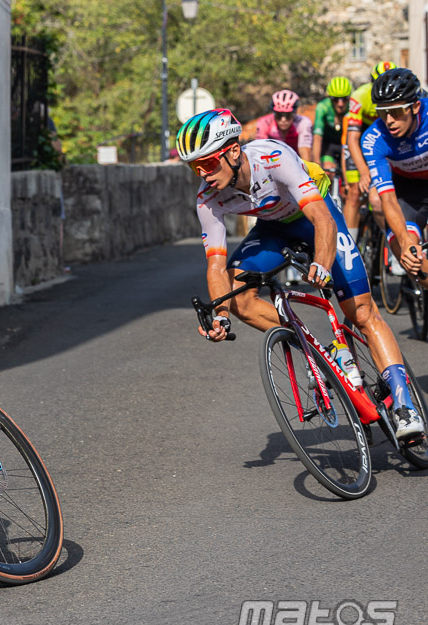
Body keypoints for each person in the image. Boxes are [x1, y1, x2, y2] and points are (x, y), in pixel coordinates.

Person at [176, 109, 423, 437]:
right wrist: (221, 315)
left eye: (207, 163)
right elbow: (216, 265)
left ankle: (405, 406)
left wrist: (321, 264)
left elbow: (322, 219)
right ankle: (318, 352)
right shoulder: (208, 198)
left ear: (233, 151)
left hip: (315, 214)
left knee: (360, 311)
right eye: (196, 167)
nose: (203, 175)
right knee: (239, 297)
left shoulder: (273, 158)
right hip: (273, 228)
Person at [361, 67, 428, 289]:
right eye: (382, 113)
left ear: (415, 106)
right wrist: (407, 241)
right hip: (408, 192)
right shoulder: (373, 138)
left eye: (397, 112)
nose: (389, 120)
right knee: (408, 256)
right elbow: (387, 199)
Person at [342, 61, 396, 233]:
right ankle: (349, 247)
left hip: (385, 140)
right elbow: (352, 139)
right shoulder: (359, 96)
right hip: (359, 140)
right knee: (354, 193)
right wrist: (364, 171)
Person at [254, 90, 313, 161]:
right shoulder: (264, 122)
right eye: (279, 115)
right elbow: (260, 151)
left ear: (295, 113)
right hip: (272, 161)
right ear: (274, 113)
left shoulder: (303, 122)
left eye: (288, 115)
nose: (283, 120)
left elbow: (304, 150)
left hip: (296, 160)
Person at [311, 77, 352, 180]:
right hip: (328, 145)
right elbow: (317, 137)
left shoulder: (353, 106)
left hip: (347, 144)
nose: (340, 103)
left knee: (351, 178)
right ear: (330, 98)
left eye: (344, 99)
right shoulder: (322, 107)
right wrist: (316, 165)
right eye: (336, 99)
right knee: (327, 172)